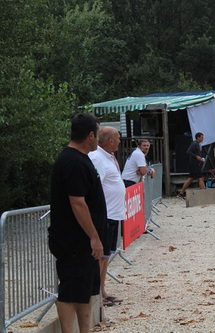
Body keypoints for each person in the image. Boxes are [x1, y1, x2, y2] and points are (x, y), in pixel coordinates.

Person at [48, 113, 106, 333]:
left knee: (84, 291)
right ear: (90, 135)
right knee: (70, 291)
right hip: (74, 241)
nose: (98, 139)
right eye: (98, 134)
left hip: (83, 243)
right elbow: (77, 203)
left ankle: (85, 330)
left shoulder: (80, 159)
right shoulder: (72, 162)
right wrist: (94, 236)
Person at [89, 127, 126, 307]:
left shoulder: (108, 157)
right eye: (118, 138)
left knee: (106, 255)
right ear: (110, 140)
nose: (120, 141)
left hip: (113, 213)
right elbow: (96, 187)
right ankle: (96, 293)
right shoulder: (97, 158)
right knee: (101, 256)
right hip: (106, 214)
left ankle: (102, 290)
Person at [177, 132, 206, 199]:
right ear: (198, 137)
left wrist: (200, 158)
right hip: (194, 163)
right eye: (202, 137)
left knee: (190, 178)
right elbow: (188, 151)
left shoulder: (198, 144)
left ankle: (181, 193)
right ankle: (203, 194)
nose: (203, 138)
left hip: (195, 163)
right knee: (200, 178)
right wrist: (196, 157)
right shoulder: (194, 143)